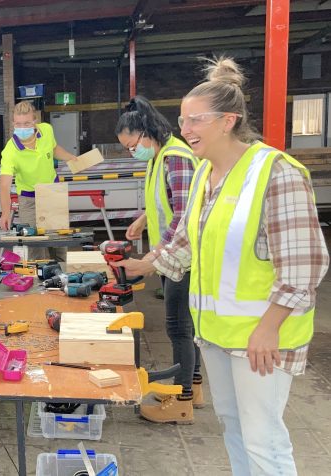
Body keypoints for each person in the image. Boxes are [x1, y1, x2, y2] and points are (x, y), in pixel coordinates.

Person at [117, 57, 329, 475]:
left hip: (263, 336)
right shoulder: (205, 176)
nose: (185, 130)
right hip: (215, 334)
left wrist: (269, 327)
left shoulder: (275, 173)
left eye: (196, 120)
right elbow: (185, 241)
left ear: (229, 120)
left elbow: (305, 264)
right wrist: (146, 265)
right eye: (182, 120)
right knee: (232, 425)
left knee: (262, 436)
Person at [115, 96, 201, 424]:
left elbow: (184, 216)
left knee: (178, 327)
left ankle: (181, 401)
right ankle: (194, 386)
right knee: (184, 326)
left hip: (183, 258)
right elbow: (164, 201)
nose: (131, 152)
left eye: (131, 145)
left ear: (147, 132)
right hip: (171, 256)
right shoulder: (159, 157)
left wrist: (153, 258)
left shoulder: (176, 157)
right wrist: (142, 220)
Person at [0, 100, 78, 232]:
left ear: (35, 121)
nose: (22, 127)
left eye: (27, 123)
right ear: (13, 123)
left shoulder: (46, 129)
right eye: (18, 124)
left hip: (52, 191)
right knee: (33, 243)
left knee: (58, 242)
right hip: (29, 199)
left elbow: (53, 148)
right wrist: (5, 213)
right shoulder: (10, 151)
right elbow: (4, 186)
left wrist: (70, 158)